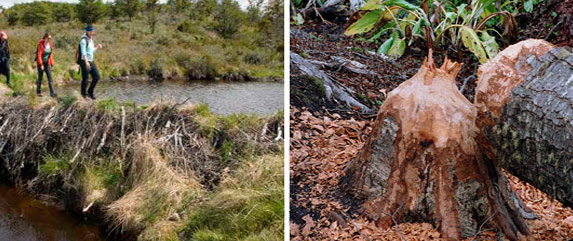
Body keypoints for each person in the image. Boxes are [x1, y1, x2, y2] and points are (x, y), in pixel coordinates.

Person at [78, 25, 103, 100]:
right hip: (84, 61)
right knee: (85, 79)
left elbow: (91, 51)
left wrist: (97, 48)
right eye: (90, 31)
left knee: (97, 76)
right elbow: (83, 53)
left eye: (92, 31)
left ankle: (90, 91)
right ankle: (83, 95)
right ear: (87, 31)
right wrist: (86, 63)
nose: (92, 32)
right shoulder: (83, 40)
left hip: (90, 60)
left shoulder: (91, 40)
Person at [36, 32, 57, 97]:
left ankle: (52, 93)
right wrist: (41, 64)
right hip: (41, 63)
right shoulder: (40, 45)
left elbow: (50, 54)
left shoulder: (50, 45)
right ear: (45, 38)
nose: (49, 40)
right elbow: (39, 55)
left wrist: (51, 63)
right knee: (40, 78)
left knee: (50, 78)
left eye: (50, 38)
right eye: (48, 38)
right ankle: (38, 92)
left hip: (47, 63)